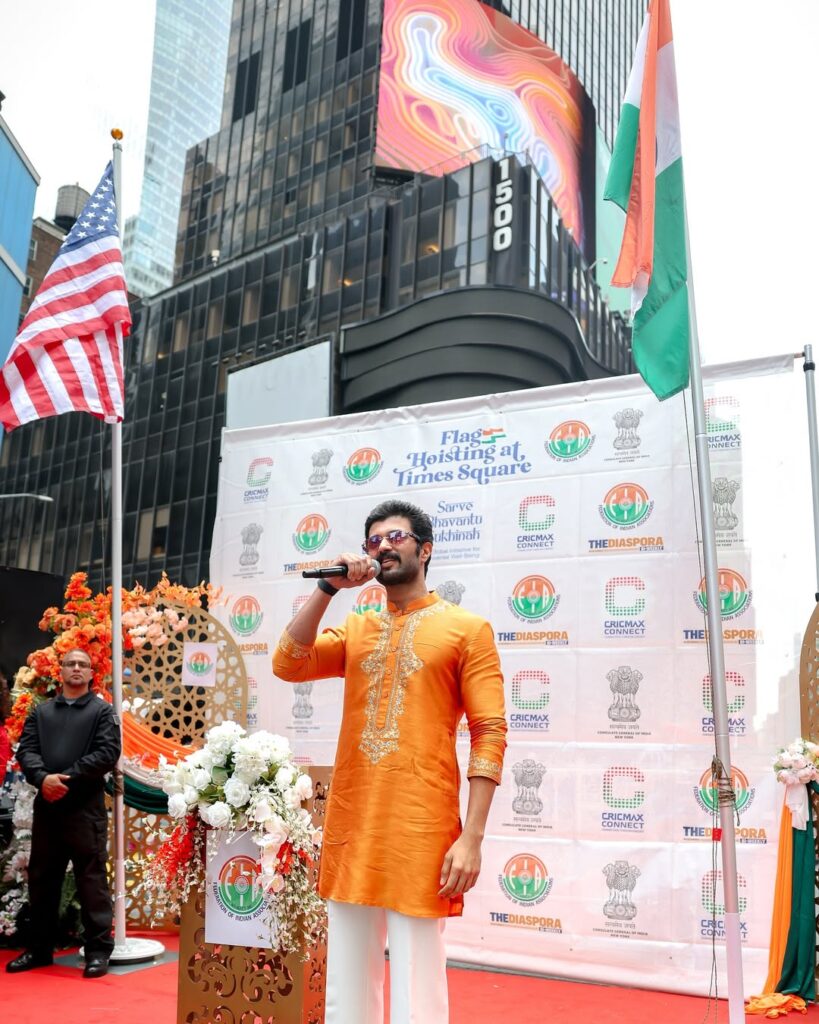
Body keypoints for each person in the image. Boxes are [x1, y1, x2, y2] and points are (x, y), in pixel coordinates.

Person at [273, 499, 507, 1023]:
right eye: (374, 540)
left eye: (396, 537)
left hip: (421, 829)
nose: (383, 546)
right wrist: (328, 589)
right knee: (347, 981)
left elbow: (489, 733)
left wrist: (471, 838)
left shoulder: (468, 630)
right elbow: (288, 664)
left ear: (425, 550)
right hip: (353, 825)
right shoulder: (358, 629)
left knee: (416, 978)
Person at [6, 647, 121, 978]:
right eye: (70, 663)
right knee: (42, 881)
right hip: (49, 809)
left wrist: (64, 778)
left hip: (85, 810)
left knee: (92, 882)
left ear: (90, 673)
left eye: (82, 664)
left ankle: (98, 952)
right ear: (60, 670)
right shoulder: (41, 713)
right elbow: (26, 750)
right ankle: (39, 950)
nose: (75, 668)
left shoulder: (102, 712)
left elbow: (107, 753)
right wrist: (43, 779)